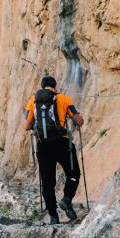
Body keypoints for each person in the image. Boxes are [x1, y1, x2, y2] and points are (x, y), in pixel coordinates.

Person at [24, 75, 84, 224]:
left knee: (47, 182)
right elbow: (78, 121)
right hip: (62, 143)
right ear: (55, 86)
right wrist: (78, 117)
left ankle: (53, 216)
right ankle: (67, 198)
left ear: (42, 86)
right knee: (73, 173)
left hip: (43, 146)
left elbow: (27, 126)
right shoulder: (64, 99)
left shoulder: (33, 101)